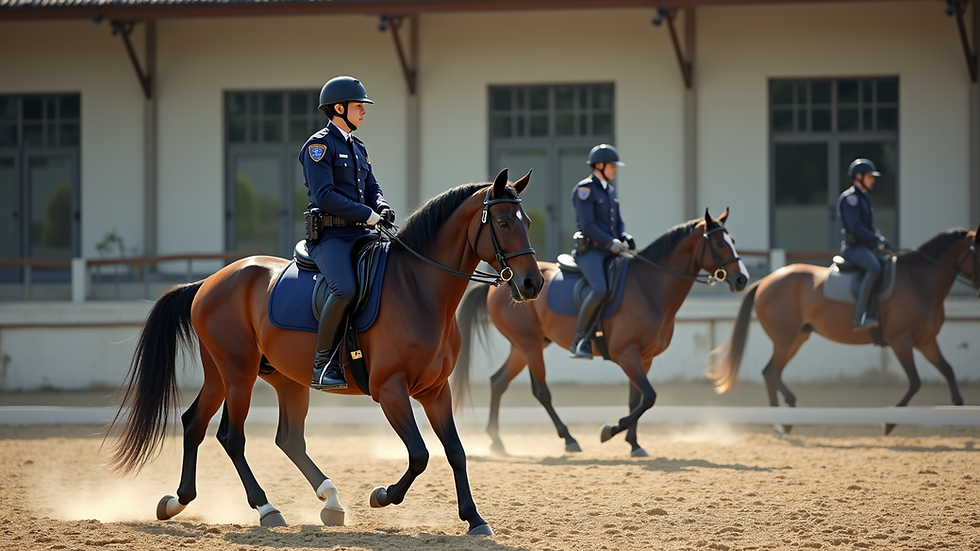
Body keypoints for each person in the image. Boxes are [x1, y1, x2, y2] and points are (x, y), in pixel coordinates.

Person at [300, 76, 395, 391]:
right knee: (344, 289)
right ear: (338, 108)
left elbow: (371, 187)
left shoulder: (357, 147)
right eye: (358, 106)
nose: (364, 111)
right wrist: (367, 214)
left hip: (361, 234)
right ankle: (323, 363)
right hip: (330, 238)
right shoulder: (318, 146)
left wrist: (380, 207)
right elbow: (324, 195)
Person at [568, 144, 635, 359]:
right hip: (592, 252)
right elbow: (588, 226)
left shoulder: (610, 190)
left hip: (611, 249)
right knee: (600, 290)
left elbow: (619, 221)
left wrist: (624, 236)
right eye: (612, 166)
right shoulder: (585, 190)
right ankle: (579, 340)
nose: (615, 170)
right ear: (599, 165)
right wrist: (610, 242)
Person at [838, 157, 888, 331]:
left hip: (866, 246)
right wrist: (875, 240)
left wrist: (879, 238)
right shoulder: (850, 198)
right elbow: (855, 227)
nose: (872, 180)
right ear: (858, 176)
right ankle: (860, 316)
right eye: (869, 176)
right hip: (854, 248)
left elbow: (869, 226)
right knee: (874, 268)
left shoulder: (864, 198)